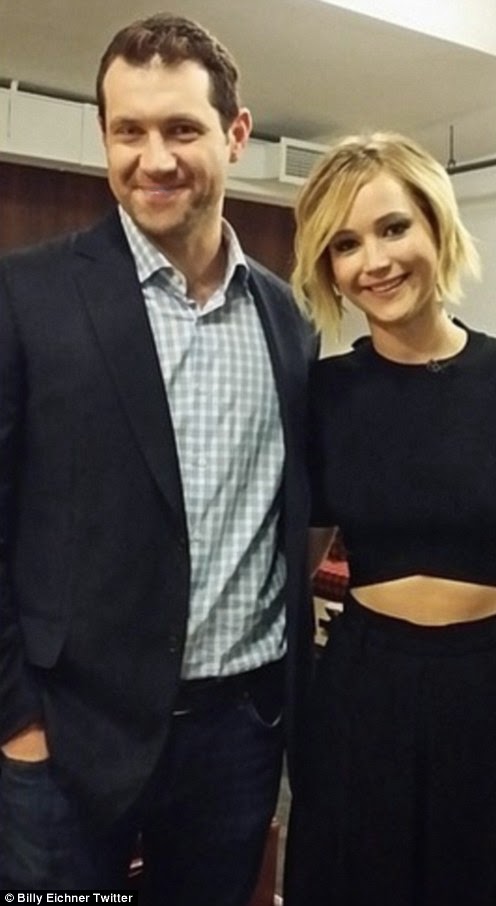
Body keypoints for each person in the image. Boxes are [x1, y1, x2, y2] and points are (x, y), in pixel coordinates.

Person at [0, 14, 317, 904]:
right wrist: (18, 719)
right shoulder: (25, 294)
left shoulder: (288, 321)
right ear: (104, 136)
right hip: (66, 735)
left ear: (236, 134)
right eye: (128, 131)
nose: (155, 158)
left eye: (181, 128)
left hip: (237, 734)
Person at [284, 132, 496, 905]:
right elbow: (291, 567)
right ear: (328, 268)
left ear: (437, 225)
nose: (374, 261)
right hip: (362, 688)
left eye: (393, 227)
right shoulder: (324, 395)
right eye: (345, 244)